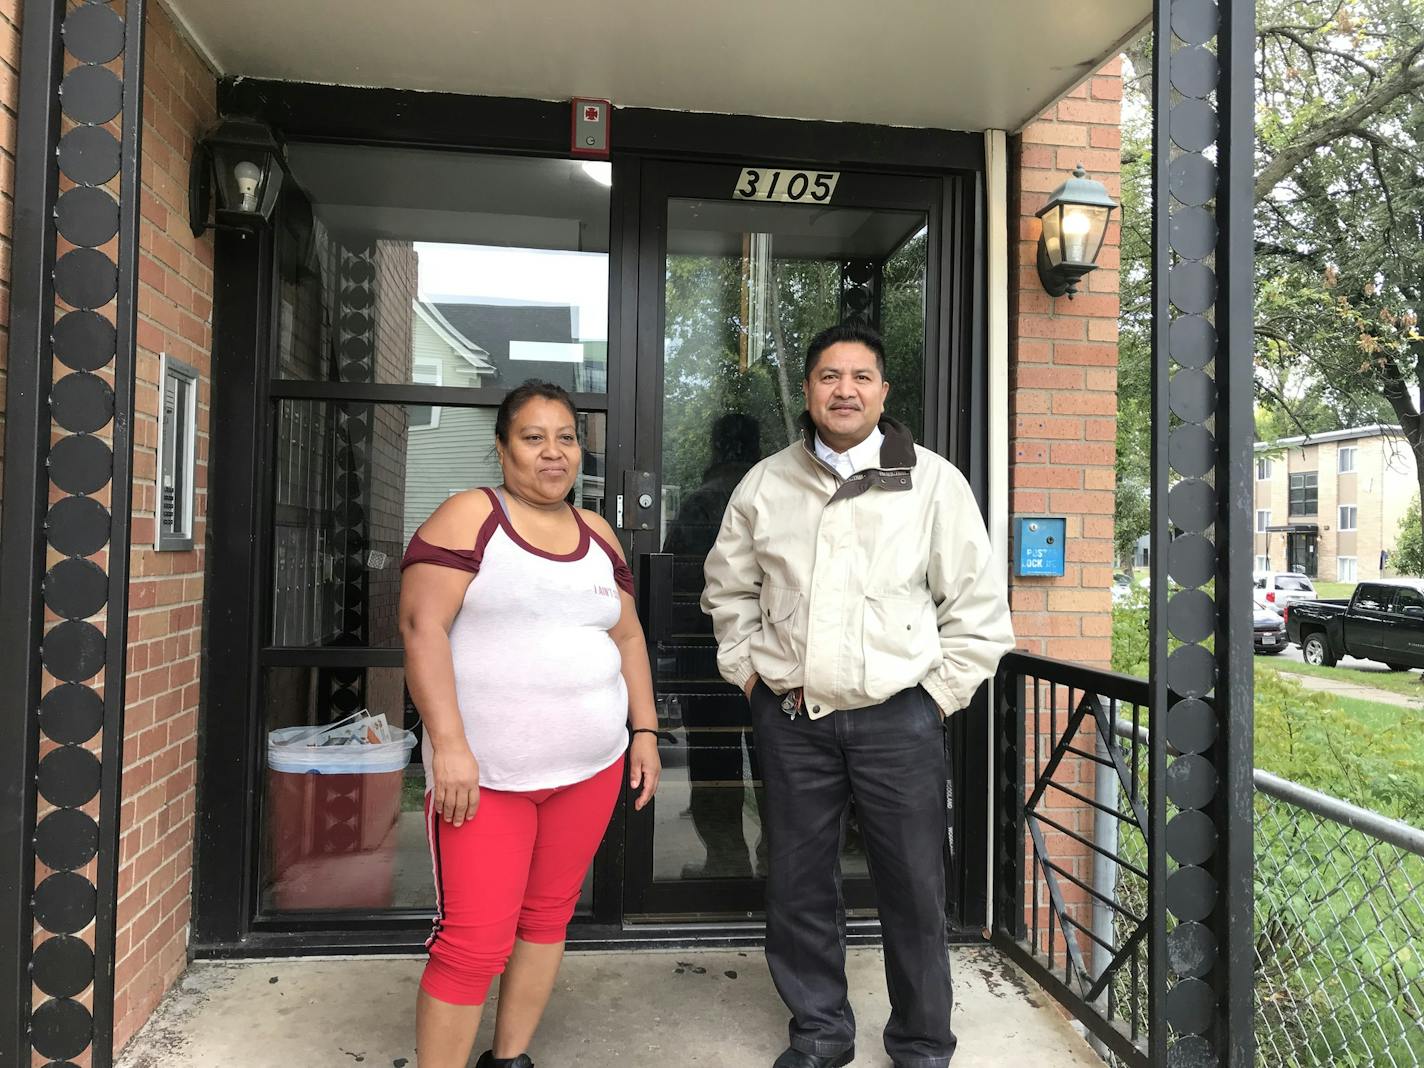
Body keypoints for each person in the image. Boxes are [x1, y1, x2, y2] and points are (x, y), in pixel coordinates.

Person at [702, 323, 1015, 1068]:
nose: (845, 389)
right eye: (829, 376)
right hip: (793, 720)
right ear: (808, 391)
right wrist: (750, 673)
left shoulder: (932, 482)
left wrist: (933, 700)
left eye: (861, 377)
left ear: (883, 391)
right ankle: (819, 1033)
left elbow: (976, 610)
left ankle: (922, 1042)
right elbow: (728, 590)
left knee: (913, 888)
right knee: (799, 885)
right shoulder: (767, 483)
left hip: (898, 722)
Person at [399, 380, 661, 1068]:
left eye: (566, 437)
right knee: (474, 941)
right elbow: (421, 628)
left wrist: (645, 733)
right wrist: (449, 747)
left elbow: (629, 639)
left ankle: (508, 1058)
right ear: (502, 448)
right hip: (485, 779)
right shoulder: (470, 516)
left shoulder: (600, 533)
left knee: (547, 918)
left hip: (592, 768)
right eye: (534, 437)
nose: (554, 452)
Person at [661, 413, 767, 879]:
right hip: (774, 657)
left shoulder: (701, 503)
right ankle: (776, 864)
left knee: (713, 762)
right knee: (774, 765)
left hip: (706, 658)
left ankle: (726, 864)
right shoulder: (774, 496)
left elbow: (676, 579)